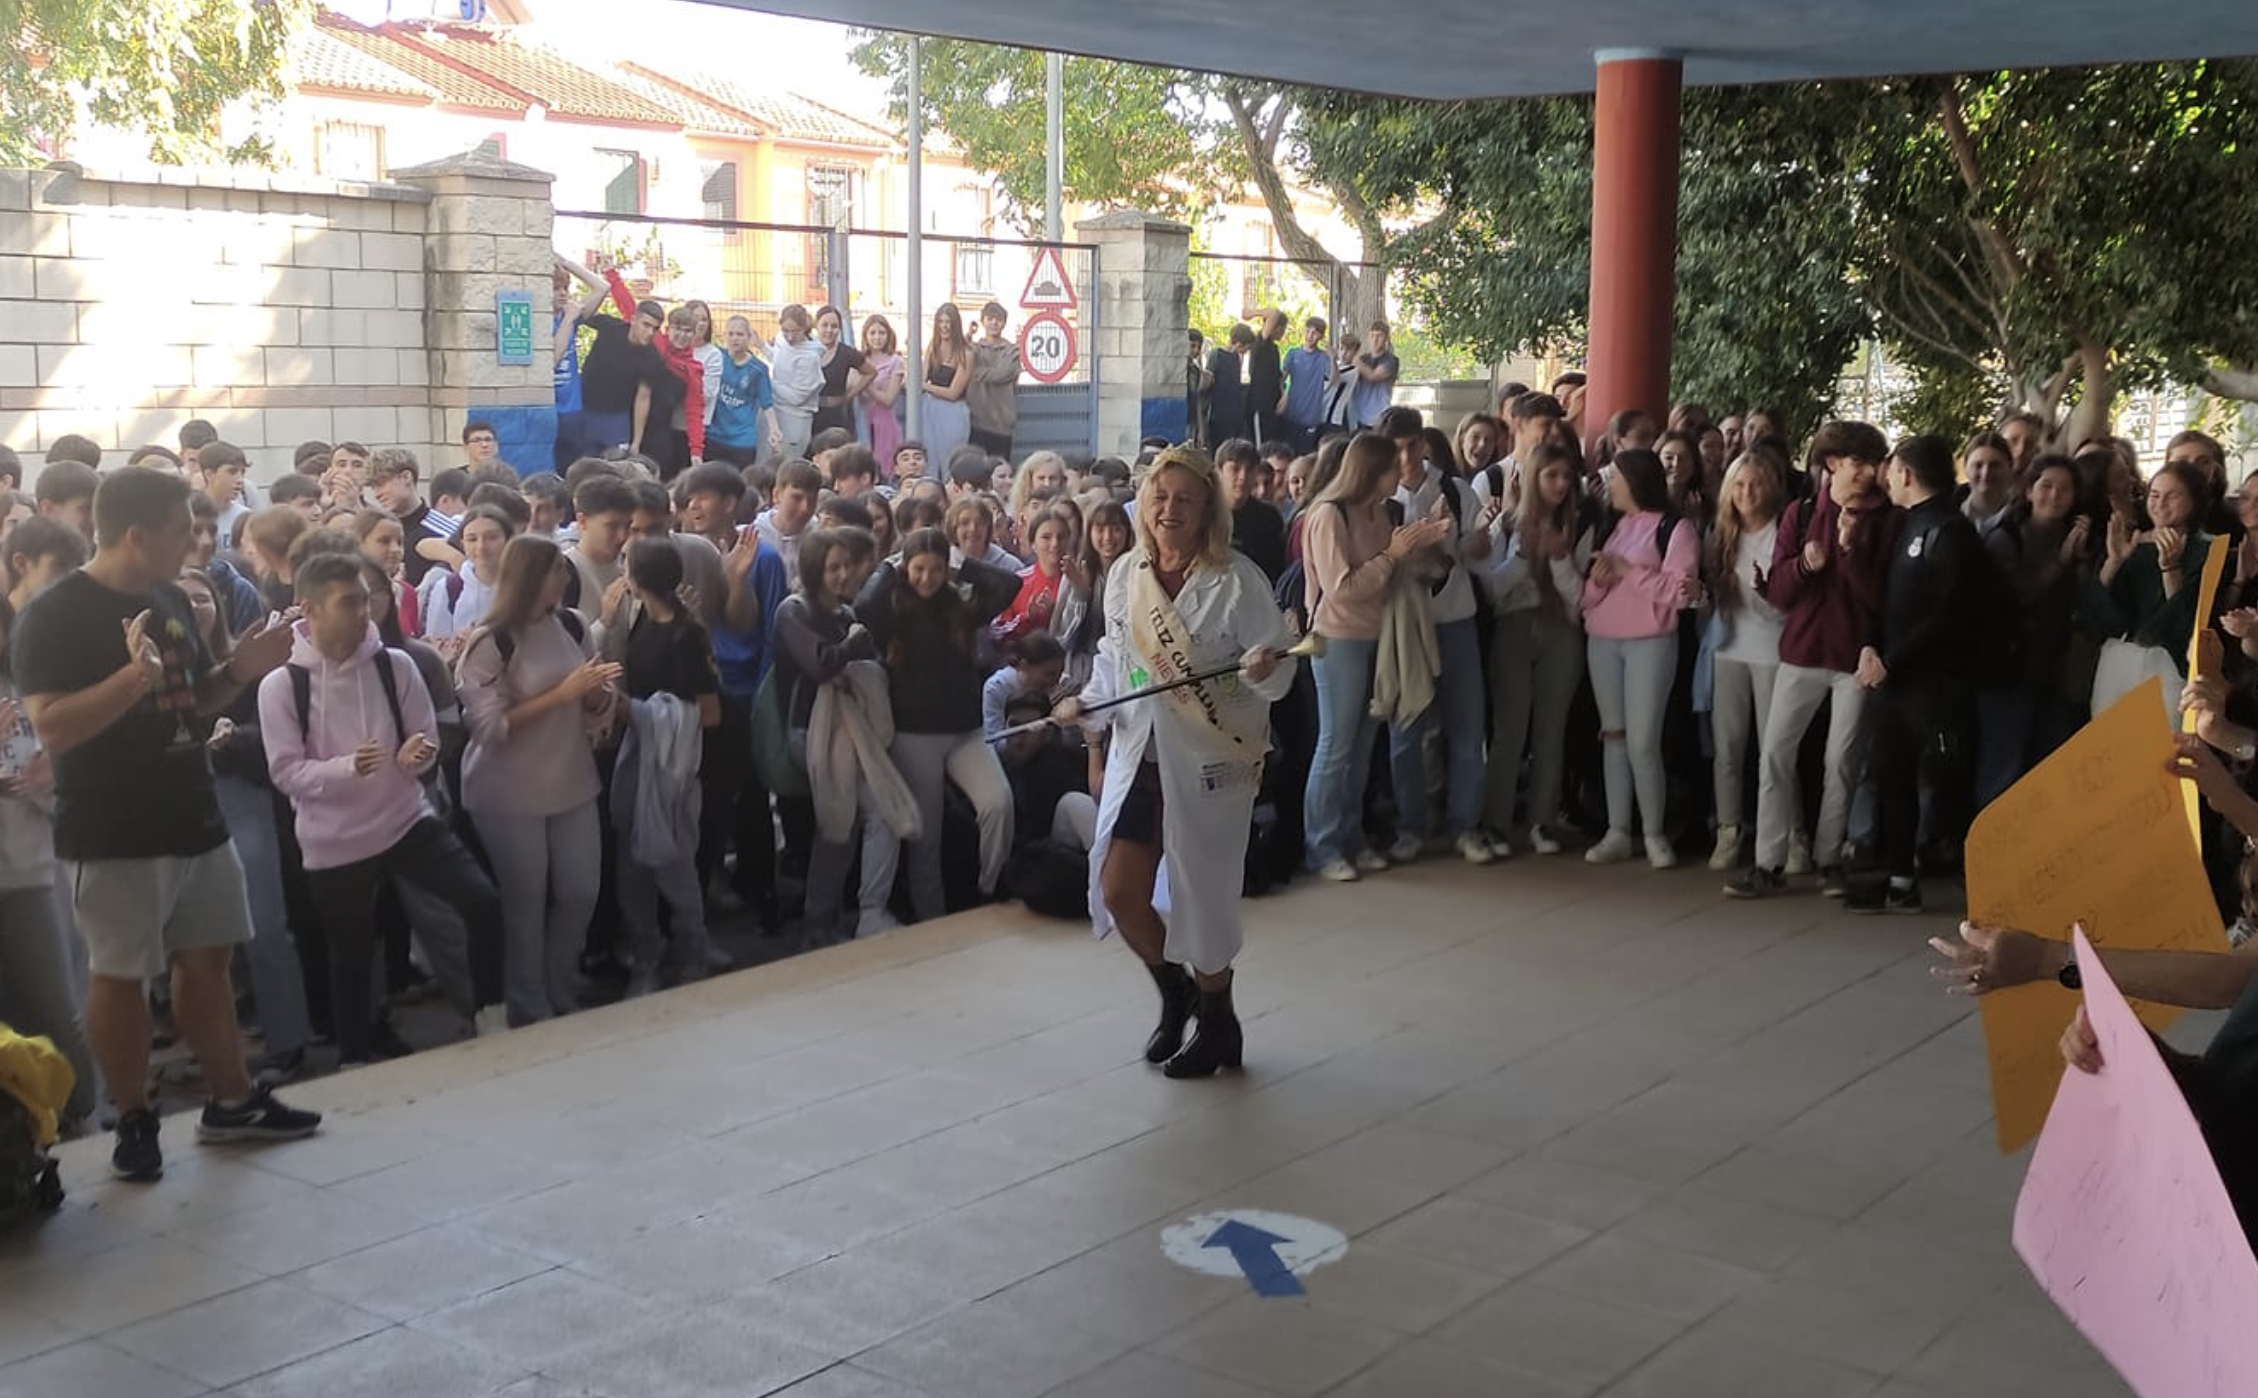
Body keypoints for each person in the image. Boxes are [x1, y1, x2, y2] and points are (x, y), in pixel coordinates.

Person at [9, 467, 319, 1182]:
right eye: (184, 529)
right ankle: (133, 1118)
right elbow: (51, 727)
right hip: (113, 825)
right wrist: (129, 682)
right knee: (120, 977)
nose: (197, 541)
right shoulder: (54, 615)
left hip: (194, 813)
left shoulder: (169, 596)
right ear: (136, 535)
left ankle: (232, 1103)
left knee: (207, 958)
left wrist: (242, 668)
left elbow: (196, 697)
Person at [1063, 445, 1298, 1077]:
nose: (1169, 510)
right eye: (1159, 498)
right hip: (1140, 754)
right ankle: (1177, 992)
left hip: (1207, 760)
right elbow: (1117, 664)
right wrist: (1085, 706)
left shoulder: (1237, 579)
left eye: (1184, 500)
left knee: (1204, 897)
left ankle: (1219, 1022)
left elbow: (1280, 664)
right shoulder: (1126, 574)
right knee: (1120, 890)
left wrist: (1266, 666)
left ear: (1206, 510)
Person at [258, 552, 488, 1063]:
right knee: (353, 953)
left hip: (406, 819)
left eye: (365, 599)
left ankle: (492, 1013)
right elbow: (285, 772)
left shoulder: (394, 664)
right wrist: (346, 768)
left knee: (481, 902)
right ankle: (356, 1055)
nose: (364, 612)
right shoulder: (281, 685)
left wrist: (416, 755)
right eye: (348, 603)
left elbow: (425, 734)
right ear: (309, 609)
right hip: (333, 840)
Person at [456, 534, 621, 1026]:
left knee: (580, 890)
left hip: (570, 777)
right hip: (507, 788)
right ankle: (527, 998)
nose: (563, 578)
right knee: (524, 898)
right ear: (530, 577)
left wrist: (595, 699)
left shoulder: (571, 625)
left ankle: (559, 979)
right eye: (554, 570)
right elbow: (487, 727)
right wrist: (561, 694)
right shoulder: (491, 640)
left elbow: (597, 700)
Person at [1727, 422, 1896, 899]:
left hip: (1854, 659)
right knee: (1775, 755)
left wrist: (1848, 553)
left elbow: (1881, 598)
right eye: (1857, 462)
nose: (1867, 472)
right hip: (1800, 652)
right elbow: (1779, 592)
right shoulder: (1800, 514)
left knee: (1841, 760)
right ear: (1831, 464)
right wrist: (1805, 565)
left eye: (1872, 463)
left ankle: (1829, 857)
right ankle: (1768, 862)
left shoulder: (1886, 520)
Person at [1301, 433, 1451, 882]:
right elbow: (1342, 587)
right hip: (1338, 638)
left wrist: (1424, 540)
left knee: (1364, 746)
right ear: (1370, 470)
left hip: (1379, 636)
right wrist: (1392, 554)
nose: (1401, 470)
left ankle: (1352, 836)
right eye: (1392, 465)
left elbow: (1394, 573)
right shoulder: (1328, 514)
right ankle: (1321, 845)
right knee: (1335, 745)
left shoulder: (1381, 512)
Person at [1848, 434, 1984, 915]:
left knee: (1945, 782)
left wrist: (1893, 658)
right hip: (1897, 679)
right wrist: (1871, 646)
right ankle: (1899, 877)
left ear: (1905, 473)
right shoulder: (1909, 524)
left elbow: (1950, 612)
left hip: (1935, 682)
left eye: (1891, 469)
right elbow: (1890, 602)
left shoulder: (1950, 531)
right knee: (1893, 777)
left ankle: (1970, 878)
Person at [855, 528, 1020, 923]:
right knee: (926, 837)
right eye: (918, 569)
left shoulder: (960, 603)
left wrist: (964, 564)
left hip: (966, 729)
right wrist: (888, 566)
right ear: (906, 569)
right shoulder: (893, 606)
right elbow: (863, 607)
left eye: (935, 569)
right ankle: (932, 916)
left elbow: (1009, 585)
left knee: (998, 804)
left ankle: (988, 887)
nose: (927, 578)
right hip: (914, 734)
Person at [0, 522, 100, 1130]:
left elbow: (70, 763)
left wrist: (47, 784)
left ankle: (85, 1116)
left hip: (29, 861)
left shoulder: (34, 669)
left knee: (55, 1004)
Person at [1380, 407, 1494, 865]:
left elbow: (1478, 551)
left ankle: (1466, 825)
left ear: (1423, 443)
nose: (1405, 456)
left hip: (1455, 619)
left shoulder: (1454, 489)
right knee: (1406, 729)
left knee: (1467, 728)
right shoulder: (1378, 497)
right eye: (1395, 448)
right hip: (1405, 626)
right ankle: (1411, 826)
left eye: (1411, 445)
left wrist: (1465, 539)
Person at [1579, 448, 1701, 869]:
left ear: (1635, 481)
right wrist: (1599, 582)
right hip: (1603, 641)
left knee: (1643, 741)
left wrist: (1628, 571)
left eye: (1615, 477)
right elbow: (1592, 594)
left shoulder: (1675, 528)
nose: (1609, 485)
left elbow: (1680, 592)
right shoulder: (1614, 527)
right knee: (1613, 736)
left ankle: (1653, 832)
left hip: (1651, 641)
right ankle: (1617, 830)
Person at [612, 539, 721, 994]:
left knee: (674, 861)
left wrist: (638, 712)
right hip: (641, 755)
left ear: (637, 579)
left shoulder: (684, 634)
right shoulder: (641, 621)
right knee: (632, 864)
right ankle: (646, 951)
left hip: (673, 764)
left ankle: (694, 948)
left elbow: (709, 712)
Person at [1481, 441, 1593, 856]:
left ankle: (1542, 821)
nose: (1561, 484)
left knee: (1551, 731)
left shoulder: (1581, 522)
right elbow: (1492, 589)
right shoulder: (1508, 523)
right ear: (1533, 477)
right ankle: (1495, 822)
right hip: (1513, 625)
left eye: (1567, 476)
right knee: (1509, 731)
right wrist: (1525, 557)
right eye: (1552, 475)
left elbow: (1580, 597)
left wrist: (1560, 557)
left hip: (1561, 629)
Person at [1704, 450, 1789, 872]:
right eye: (1738, 485)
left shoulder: (1784, 531)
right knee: (1728, 748)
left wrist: (1763, 592)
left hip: (1773, 650)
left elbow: (1787, 605)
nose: (1746, 493)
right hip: (1729, 649)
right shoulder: (1723, 532)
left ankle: (1789, 836)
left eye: (1755, 484)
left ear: (1770, 486)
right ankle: (1728, 829)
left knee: (1774, 751)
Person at [574, 271, 668, 459]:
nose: (650, 332)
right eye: (646, 325)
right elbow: (581, 314)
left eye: (655, 328)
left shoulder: (652, 358)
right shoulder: (611, 327)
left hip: (616, 419)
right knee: (581, 467)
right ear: (633, 320)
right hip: (584, 410)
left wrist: (636, 443)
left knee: (616, 473)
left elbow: (643, 398)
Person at [1216, 439, 1287, 584]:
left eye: (1249, 470)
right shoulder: (1204, 516)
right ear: (1219, 471)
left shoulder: (1269, 518)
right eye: (1235, 469)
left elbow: (1277, 569)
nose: (1242, 477)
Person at [768, 305, 824, 463]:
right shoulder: (781, 339)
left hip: (796, 419)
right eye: (786, 330)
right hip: (776, 412)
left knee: (788, 466)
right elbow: (779, 361)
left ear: (805, 328)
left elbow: (796, 397)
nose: (790, 337)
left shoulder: (810, 357)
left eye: (795, 331)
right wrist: (761, 346)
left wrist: (769, 383)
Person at [920, 304, 975, 466]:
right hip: (930, 410)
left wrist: (924, 386)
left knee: (951, 462)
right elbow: (922, 376)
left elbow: (953, 393)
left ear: (956, 324)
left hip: (953, 413)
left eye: (948, 322)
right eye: (941, 321)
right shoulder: (932, 348)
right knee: (929, 460)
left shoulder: (966, 353)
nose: (944, 326)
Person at [967, 302, 1022, 459]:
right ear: (983, 321)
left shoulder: (1012, 350)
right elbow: (962, 360)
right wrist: (968, 334)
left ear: (1004, 323)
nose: (994, 323)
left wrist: (977, 373)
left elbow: (1003, 374)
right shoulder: (974, 348)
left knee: (1000, 470)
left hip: (1002, 424)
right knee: (976, 469)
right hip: (977, 421)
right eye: (990, 319)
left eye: (998, 320)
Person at [811, 305, 871, 444]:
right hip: (808, 415)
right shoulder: (806, 350)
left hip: (835, 415)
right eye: (824, 325)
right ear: (817, 326)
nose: (829, 330)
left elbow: (870, 372)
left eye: (834, 326)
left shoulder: (846, 353)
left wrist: (849, 395)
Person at [856, 315, 907, 467]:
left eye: (881, 333)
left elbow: (889, 399)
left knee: (884, 467)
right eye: (872, 333)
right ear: (865, 336)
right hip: (861, 420)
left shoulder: (895, 361)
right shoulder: (859, 359)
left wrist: (866, 383)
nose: (877, 337)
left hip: (885, 424)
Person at [1282, 317, 1333, 454]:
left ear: (1321, 336)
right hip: (1291, 414)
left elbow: (1334, 379)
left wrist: (1332, 357)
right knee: (1288, 453)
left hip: (1311, 417)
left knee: (1306, 456)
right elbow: (1282, 378)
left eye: (1315, 333)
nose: (1310, 335)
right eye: (1308, 331)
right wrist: (1283, 397)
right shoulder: (1292, 354)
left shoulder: (1323, 358)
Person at [1245, 310, 1288, 450]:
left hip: (1273, 407)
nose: (1283, 333)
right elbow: (1274, 313)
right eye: (1282, 329)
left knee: (1272, 447)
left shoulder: (1274, 349)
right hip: (1260, 407)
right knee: (1261, 448)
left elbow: (1278, 377)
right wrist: (1252, 313)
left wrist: (1283, 396)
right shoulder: (1260, 344)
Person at [1349, 320, 1400, 430]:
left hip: (1379, 418)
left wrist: (1355, 361)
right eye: (1372, 335)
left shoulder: (1391, 361)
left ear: (1386, 339)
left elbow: (1373, 376)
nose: (1375, 340)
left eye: (1379, 336)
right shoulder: (1363, 359)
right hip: (1358, 418)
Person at [1206, 326, 1251, 447]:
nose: (1247, 351)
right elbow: (1207, 381)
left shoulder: (1237, 358)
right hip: (1218, 412)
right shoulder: (1217, 354)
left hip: (1234, 412)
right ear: (1239, 344)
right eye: (1247, 347)